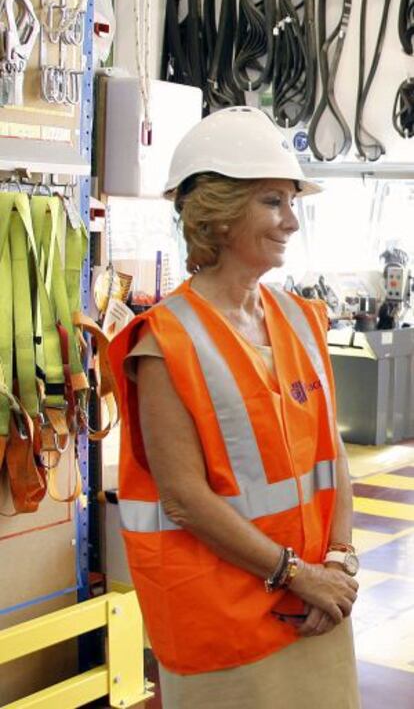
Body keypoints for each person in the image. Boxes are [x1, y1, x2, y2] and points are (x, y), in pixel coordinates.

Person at [108, 107, 361, 709]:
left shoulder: (300, 320)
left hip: (318, 610)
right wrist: (299, 575)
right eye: (273, 202)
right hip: (226, 623)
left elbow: (334, 453)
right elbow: (184, 499)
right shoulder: (164, 341)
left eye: (292, 202)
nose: (291, 222)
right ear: (218, 217)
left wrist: (340, 562)